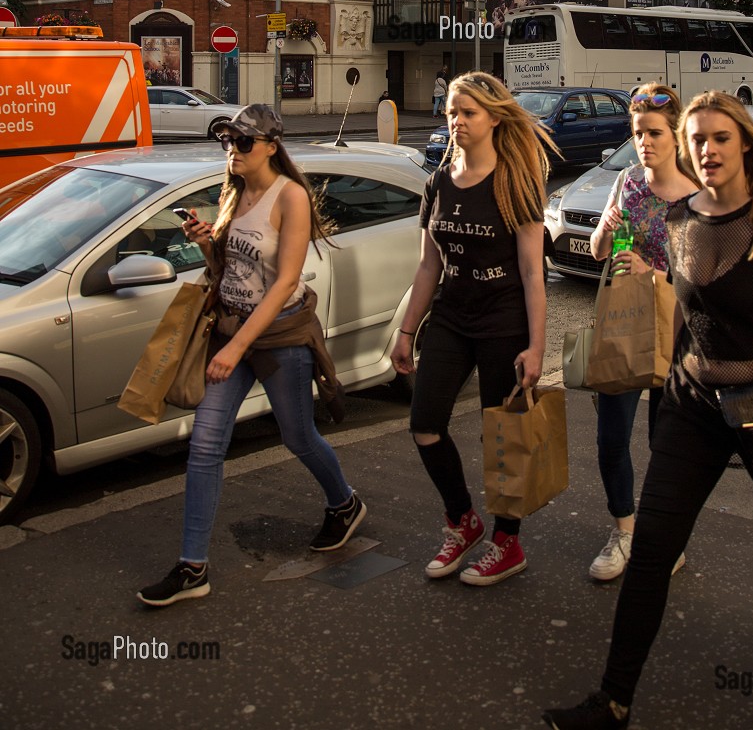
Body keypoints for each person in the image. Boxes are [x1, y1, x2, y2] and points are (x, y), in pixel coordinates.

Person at [544, 91, 753, 730]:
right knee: (652, 545)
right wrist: (669, 392)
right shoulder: (679, 218)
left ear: (743, 145)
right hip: (692, 405)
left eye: (719, 139)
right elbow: (684, 314)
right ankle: (613, 700)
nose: (706, 151)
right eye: (698, 140)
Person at [137, 104, 364, 607]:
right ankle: (192, 567)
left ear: (270, 145)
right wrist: (204, 244)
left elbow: (285, 281)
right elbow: (229, 269)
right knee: (205, 444)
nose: (232, 152)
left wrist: (238, 346)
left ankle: (344, 503)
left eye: (242, 143)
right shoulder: (234, 192)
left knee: (298, 435)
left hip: (278, 336)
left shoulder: (292, 197)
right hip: (231, 329)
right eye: (228, 143)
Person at [391, 70, 551, 586]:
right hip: (452, 318)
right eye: (451, 113)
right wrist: (406, 330)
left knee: (500, 438)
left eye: (467, 113)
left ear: (493, 117)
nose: (457, 121)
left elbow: (532, 272)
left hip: (503, 322)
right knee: (425, 423)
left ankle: (507, 542)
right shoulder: (438, 180)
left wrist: (536, 347)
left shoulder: (515, 181)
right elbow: (427, 266)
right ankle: (462, 521)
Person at [586, 85, 695, 581]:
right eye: (637, 134)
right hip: (627, 324)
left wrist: (654, 273)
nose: (644, 143)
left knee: (665, 444)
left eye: (653, 133)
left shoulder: (695, 195)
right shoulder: (628, 181)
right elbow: (597, 252)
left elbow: (706, 279)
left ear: (675, 137)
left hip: (679, 330)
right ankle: (624, 530)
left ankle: (662, 536)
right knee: (612, 440)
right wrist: (605, 229)